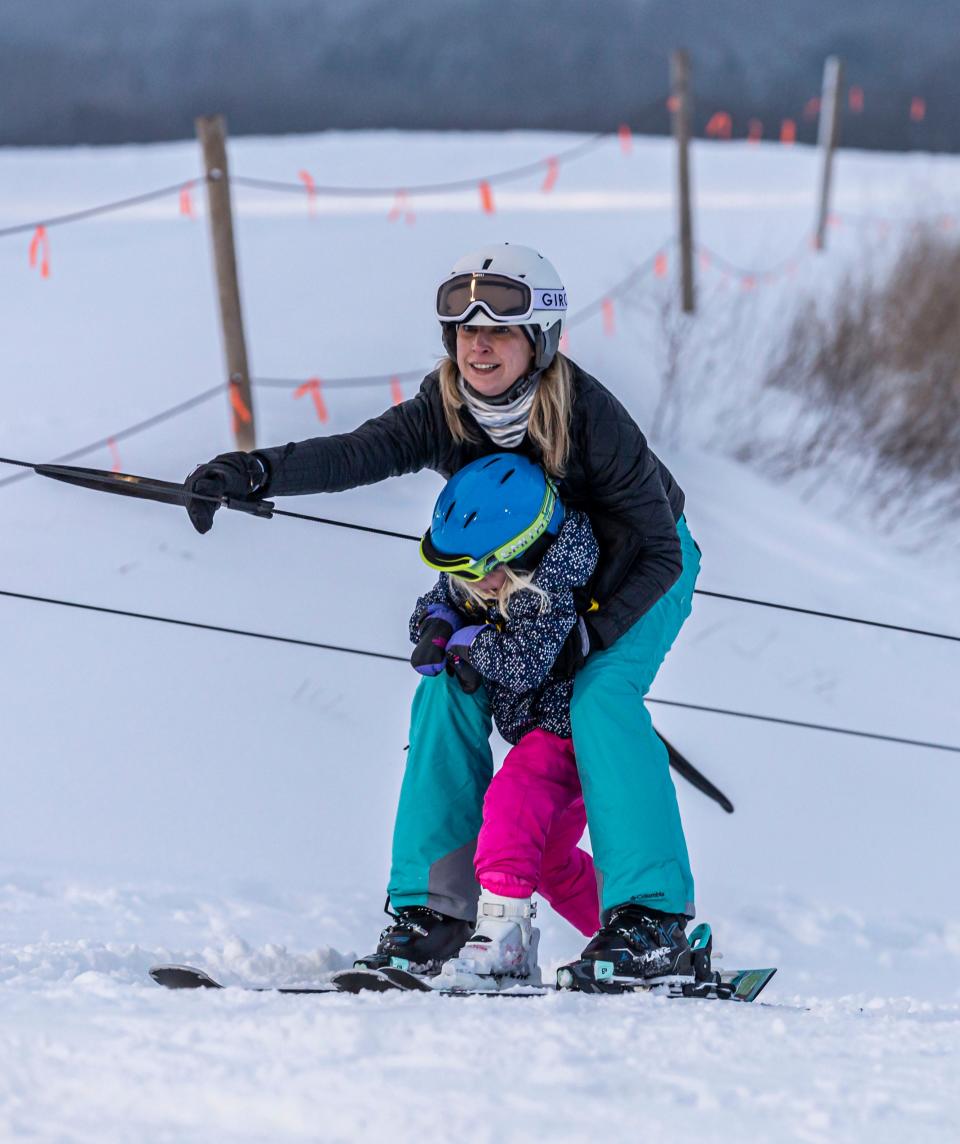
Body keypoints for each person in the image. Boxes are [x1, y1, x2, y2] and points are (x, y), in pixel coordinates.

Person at [185, 242, 702, 992]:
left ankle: (650, 920)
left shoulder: (590, 418)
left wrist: (589, 635)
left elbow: (658, 550)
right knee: (446, 687)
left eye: (499, 329)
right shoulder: (447, 408)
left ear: (542, 339)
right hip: (520, 584)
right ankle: (435, 913)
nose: (478, 345)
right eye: (464, 330)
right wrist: (257, 470)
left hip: (641, 571)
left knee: (599, 698)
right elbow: (358, 453)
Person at [404, 451, 600, 989]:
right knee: (551, 863)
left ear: (519, 550)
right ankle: (619, 934)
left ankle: (503, 934)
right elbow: (441, 598)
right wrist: (438, 624)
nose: (468, 584)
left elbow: (527, 662)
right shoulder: (483, 574)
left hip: (562, 732)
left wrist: (471, 644)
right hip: (537, 731)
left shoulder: (554, 580)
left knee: (510, 801)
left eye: (475, 571)